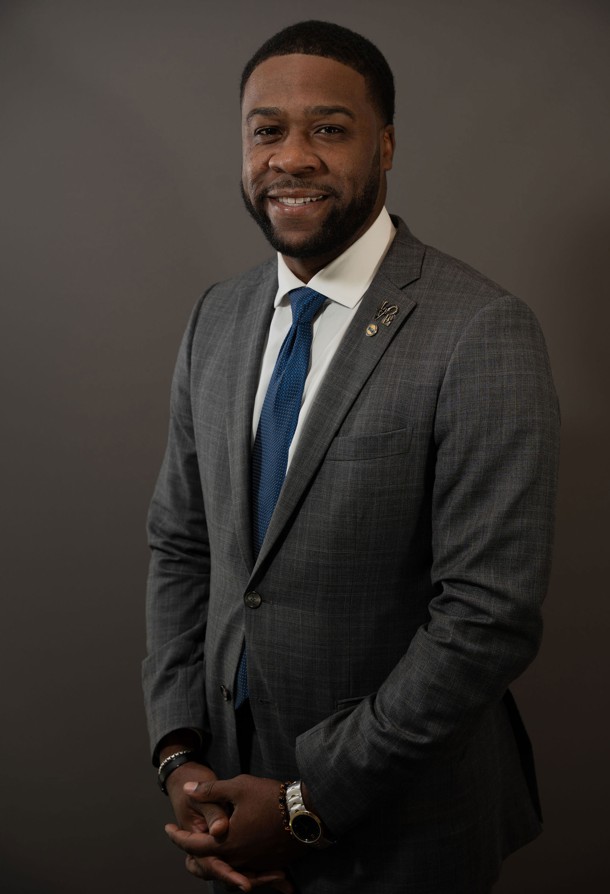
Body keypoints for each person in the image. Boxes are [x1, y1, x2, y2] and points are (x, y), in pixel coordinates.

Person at [143, 20, 560, 894]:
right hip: (226, 805)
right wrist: (180, 752)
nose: (291, 157)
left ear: (387, 146)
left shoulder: (481, 330)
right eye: (267, 130)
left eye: (328, 129)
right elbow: (182, 547)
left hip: (402, 829)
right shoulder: (216, 317)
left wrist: (308, 802)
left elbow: (487, 618)